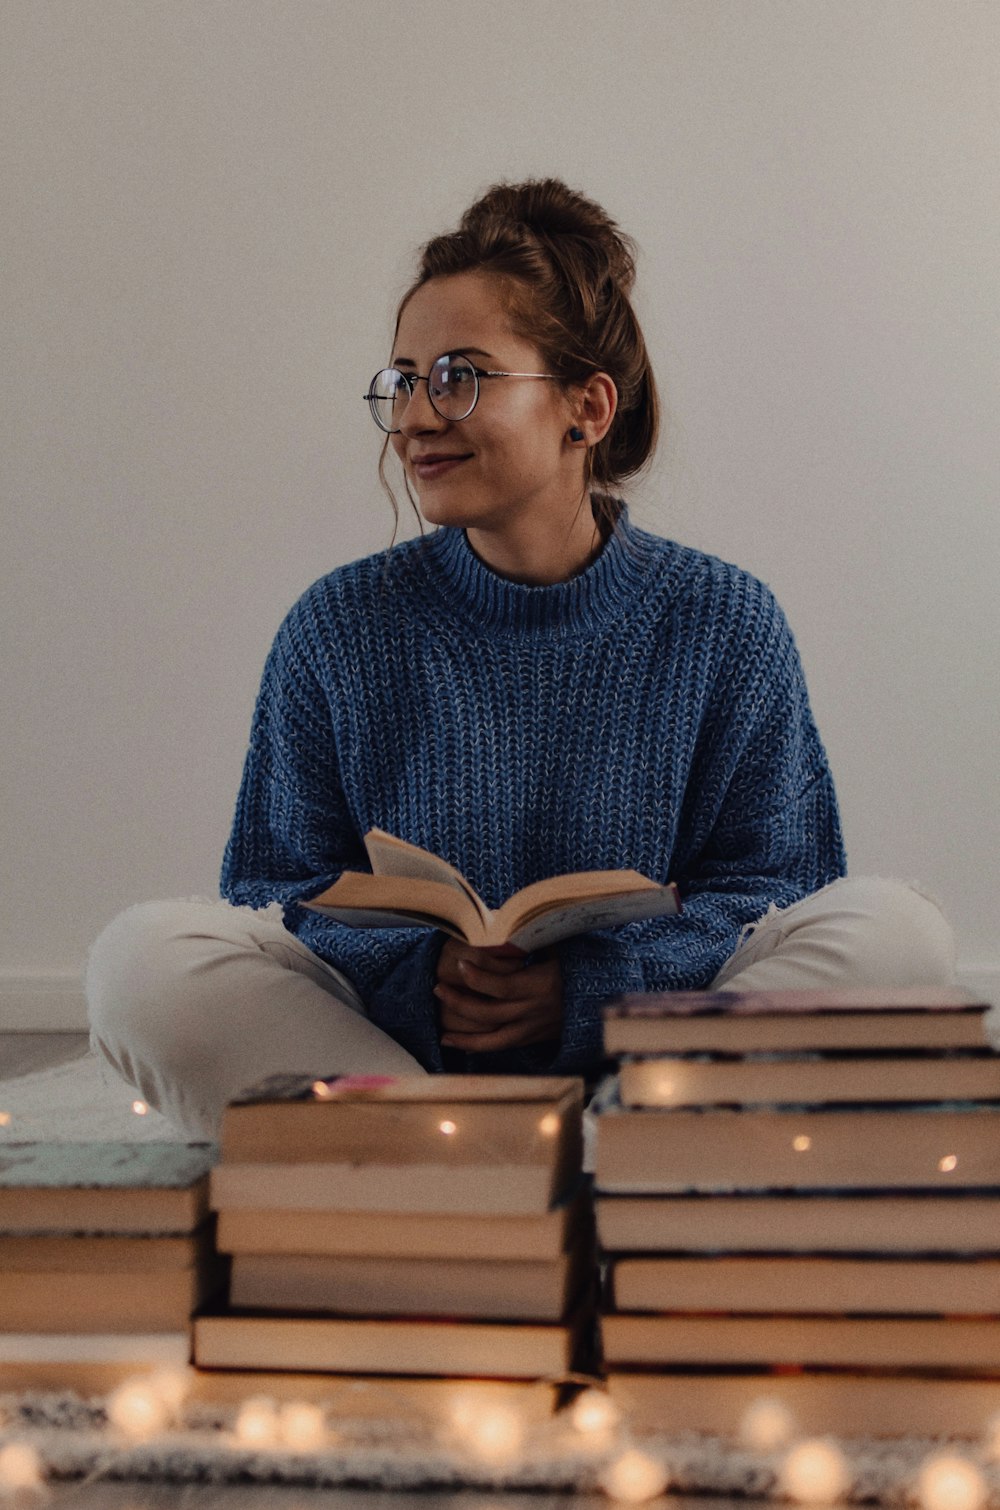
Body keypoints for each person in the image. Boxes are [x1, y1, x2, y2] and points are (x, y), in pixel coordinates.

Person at [87, 178, 956, 1139]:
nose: (417, 414)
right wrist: (421, 979)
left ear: (585, 407)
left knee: (897, 933)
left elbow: (780, 886)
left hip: (642, 1060)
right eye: (404, 380)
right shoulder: (337, 627)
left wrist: (590, 990)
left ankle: (593, 1147)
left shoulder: (724, 621)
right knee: (141, 961)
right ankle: (486, 1158)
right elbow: (270, 890)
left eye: (459, 376)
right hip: (402, 1066)